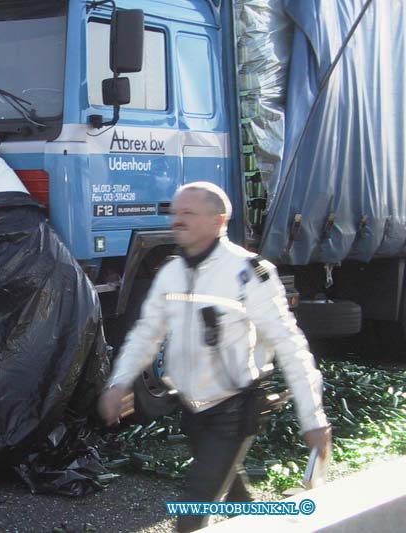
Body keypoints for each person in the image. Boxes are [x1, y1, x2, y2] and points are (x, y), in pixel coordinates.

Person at [98, 182, 332, 532]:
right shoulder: (170, 273)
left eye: (187, 213)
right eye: (174, 212)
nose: (176, 220)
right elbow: (146, 334)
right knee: (235, 497)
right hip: (192, 410)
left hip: (234, 410)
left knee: (193, 510)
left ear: (218, 220)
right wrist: (118, 384)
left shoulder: (249, 273)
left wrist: (313, 420)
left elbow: (290, 345)